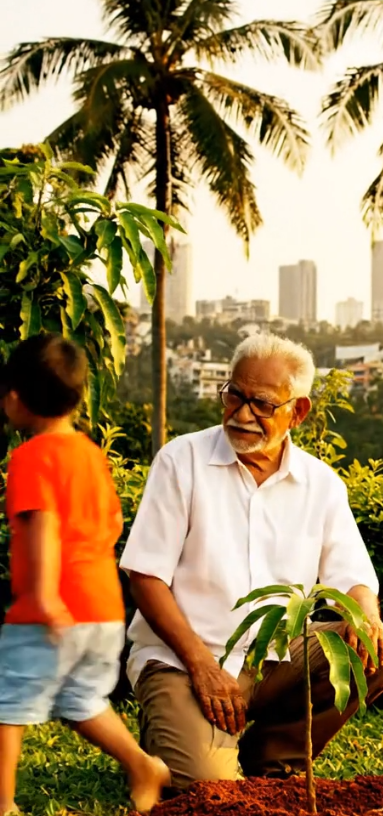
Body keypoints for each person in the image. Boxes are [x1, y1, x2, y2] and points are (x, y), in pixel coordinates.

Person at [120, 334, 383, 789]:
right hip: (183, 659)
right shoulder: (182, 461)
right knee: (205, 786)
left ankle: (274, 756)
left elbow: (354, 577)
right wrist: (202, 665)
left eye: (262, 403)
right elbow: (145, 577)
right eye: (234, 395)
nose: (242, 413)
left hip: (274, 657)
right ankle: (176, 726)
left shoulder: (321, 484)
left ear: (299, 411)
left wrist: (365, 614)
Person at [0, 334, 169, 816]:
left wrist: (47, 597)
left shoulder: (31, 457)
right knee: (80, 699)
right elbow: (112, 524)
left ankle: (4, 804)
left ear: (15, 398)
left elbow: (44, 526)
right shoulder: (91, 456)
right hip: (103, 609)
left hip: (51, 608)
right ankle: (142, 765)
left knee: (5, 703)